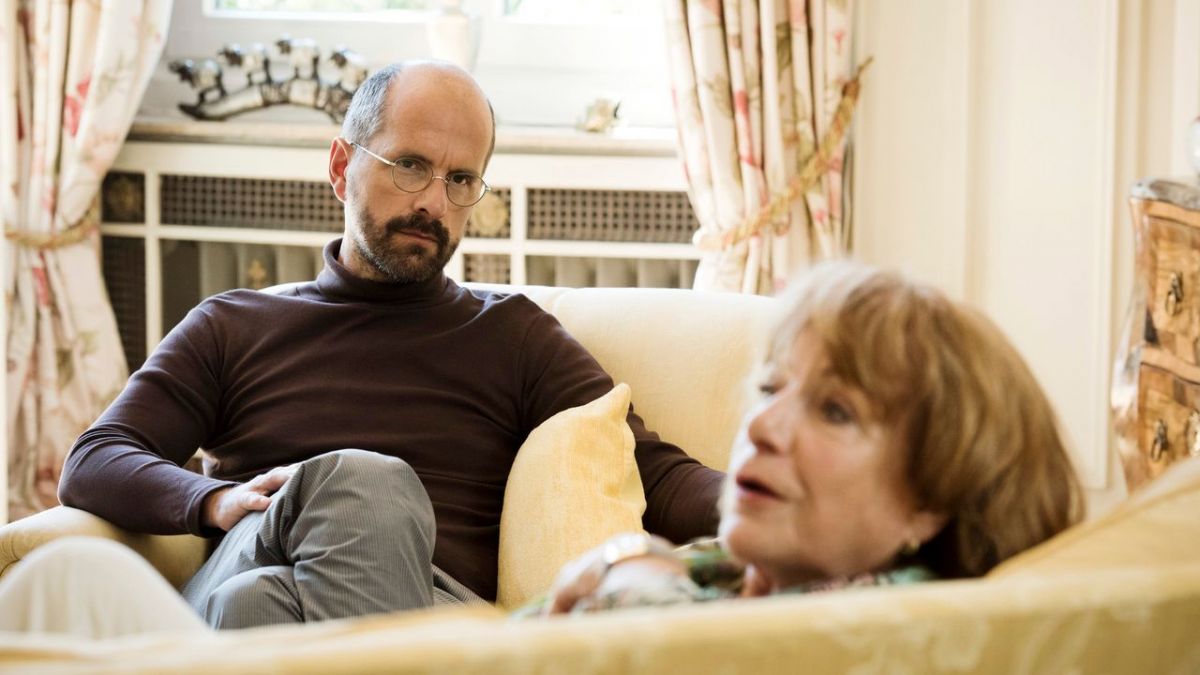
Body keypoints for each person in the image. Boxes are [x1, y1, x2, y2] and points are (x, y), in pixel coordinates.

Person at [53, 60, 722, 629]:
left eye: (460, 180)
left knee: (254, 604)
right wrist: (214, 502)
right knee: (357, 486)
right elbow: (95, 458)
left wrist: (769, 500)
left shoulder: (513, 336)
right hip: (258, 545)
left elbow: (654, 473)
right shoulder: (233, 325)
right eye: (410, 166)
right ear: (341, 167)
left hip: (426, 607)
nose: (434, 202)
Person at [539, 259, 1084, 613]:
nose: (760, 427)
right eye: (769, 389)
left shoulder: (903, 626)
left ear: (932, 499)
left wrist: (632, 577)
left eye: (836, 411)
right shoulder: (733, 570)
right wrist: (632, 555)